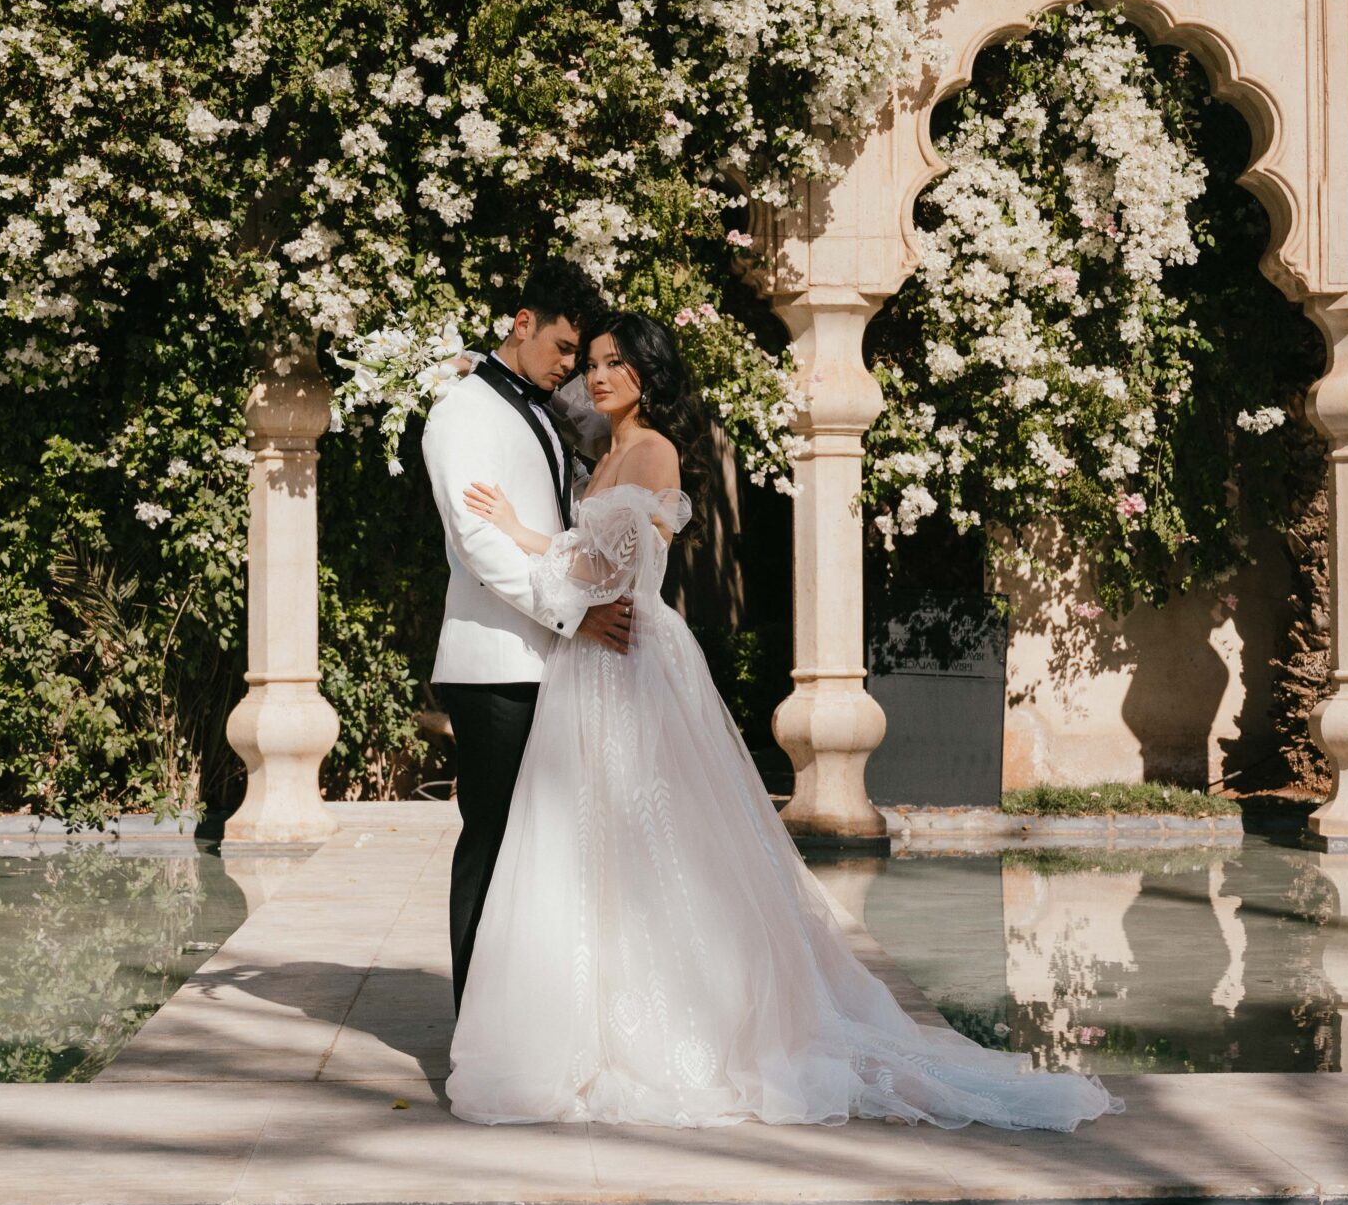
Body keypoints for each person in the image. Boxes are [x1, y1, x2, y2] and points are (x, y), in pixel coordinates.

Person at [444, 309, 1119, 1130]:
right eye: (591, 362)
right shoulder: (603, 450)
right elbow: (585, 535)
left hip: (626, 653)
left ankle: (672, 1024)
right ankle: (589, 1019)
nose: (599, 376)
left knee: (652, 840)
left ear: (649, 373)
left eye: (616, 362)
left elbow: (609, 567)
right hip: (590, 661)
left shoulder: (650, 449)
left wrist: (519, 534)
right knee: (593, 848)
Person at [419, 261, 635, 1009]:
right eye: (564, 347)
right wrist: (576, 615)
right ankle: (475, 1017)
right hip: (494, 666)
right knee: (493, 840)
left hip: (553, 662)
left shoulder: (537, 404)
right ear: (523, 323)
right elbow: (483, 551)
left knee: (543, 849)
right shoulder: (459, 415)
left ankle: (526, 1012)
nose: (571, 366)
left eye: (580, 354)